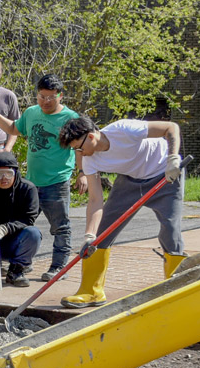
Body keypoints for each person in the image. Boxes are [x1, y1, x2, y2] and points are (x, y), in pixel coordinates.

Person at [58, 115, 185, 308]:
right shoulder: (90, 160)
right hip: (130, 180)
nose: (79, 153)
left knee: (170, 229)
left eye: (79, 148)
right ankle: (91, 292)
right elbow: (95, 200)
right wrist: (89, 235)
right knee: (102, 233)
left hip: (165, 175)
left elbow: (171, 127)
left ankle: (177, 287)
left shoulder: (125, 129)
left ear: (91, 137)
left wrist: (173, 159)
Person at [0, 74, 82, 282]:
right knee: (21, 223)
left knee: (60, 227)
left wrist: (83, 173)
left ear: (60, 96)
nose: (45, 101)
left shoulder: (70, 118)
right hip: (31, 183)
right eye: (41, 96)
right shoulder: (32, 113)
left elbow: (80, 148)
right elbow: (13, 129)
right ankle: (21, 263)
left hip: (56, 182)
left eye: (51, 97)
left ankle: (59, 266)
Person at [0, 151, 42, 287]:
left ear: (16, 172)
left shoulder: (28, 189)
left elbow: (28, 219)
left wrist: (4, 229)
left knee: (33, 234)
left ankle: (16, 271)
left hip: (14, 242)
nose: (4, 178)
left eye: (9, 173)